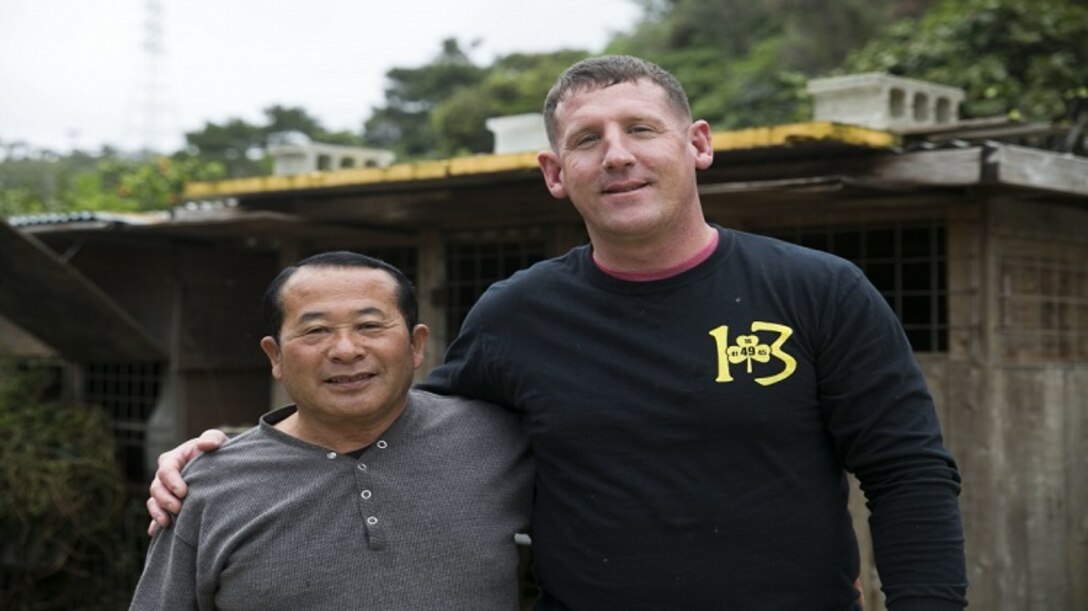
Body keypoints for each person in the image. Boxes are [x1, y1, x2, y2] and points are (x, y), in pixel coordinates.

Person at [148, 56, 967, 610]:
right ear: (554, 172)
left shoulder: (816, 290)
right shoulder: (516, 314)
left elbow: (908, 474)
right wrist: (228, 448)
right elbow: (389, 418)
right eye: (587, 140)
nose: (617, 156)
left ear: (698, 144)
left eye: (641, 129)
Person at [132, 251, 533, 609]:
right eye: (316, 330)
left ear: (416, 344)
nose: (345, 349)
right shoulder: (205, 488)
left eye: (370, 326)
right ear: (275, 356)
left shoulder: (499, 439)